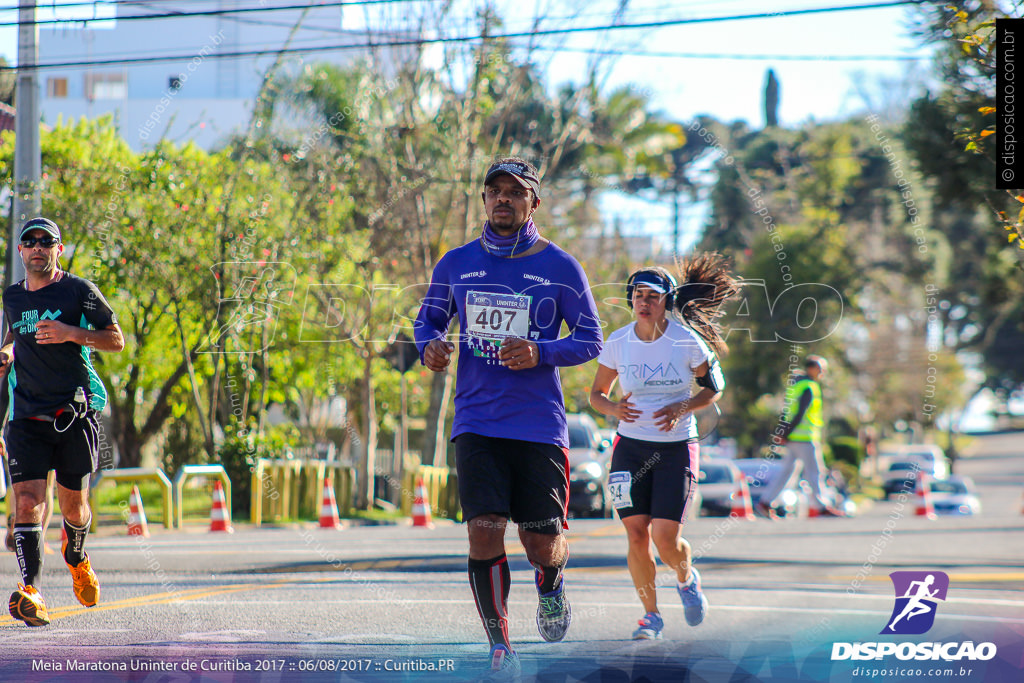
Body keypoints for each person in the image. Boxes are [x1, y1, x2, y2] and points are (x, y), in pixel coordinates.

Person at [414, 157, 602, 676]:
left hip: (539, 423)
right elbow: (427, 321)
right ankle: (501, 642)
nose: (503, 199)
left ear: (533, 203)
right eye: (494, 190)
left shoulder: (561, 266)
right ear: (484, 199)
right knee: (483, 528)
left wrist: (540, 352)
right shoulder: (455, 263)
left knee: (541, 541)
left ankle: (551, 582)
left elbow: (590, 340)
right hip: (475, 419)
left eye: (515, 192)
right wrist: (428, 346)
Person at [589, 255, 738, 640]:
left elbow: (713, 389)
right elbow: (597, 394)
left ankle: (686, 577)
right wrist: (612, 408)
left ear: (666, 302)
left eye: (653, 296)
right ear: (630, 300)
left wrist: (682, 406)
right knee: (637, 534)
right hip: (629, 447)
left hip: (675, 449)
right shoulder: (618, 341)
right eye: (638, 295)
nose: (644, 302)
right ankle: (650, 615)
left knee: (666, 541)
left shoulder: (687, 342)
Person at [1, 217, 124, 626]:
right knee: (26, 504)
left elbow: (116, 339)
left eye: (46, 241)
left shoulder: (79, 291)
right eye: (29, 241)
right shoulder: (12, 298)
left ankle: (76, 555)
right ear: (20, 251)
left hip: (73, 414)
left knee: (75, 506)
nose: (37, 247)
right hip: (26, 416)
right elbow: (11, 338)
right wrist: (5, 355)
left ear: (59, 248)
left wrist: (72, 332)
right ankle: (32, 592)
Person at [759, 355, 843, 517]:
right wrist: (786, 433)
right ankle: (821, 506)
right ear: (812, 369)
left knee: (788, 471)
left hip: (793, 438)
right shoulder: (810, 387)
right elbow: (800, 413)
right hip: (804, 438)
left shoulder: (795, 386)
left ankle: (766, 502)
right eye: (821, 368)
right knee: (814, 471)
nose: (822, 372)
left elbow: (786, 412)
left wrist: (782, 433)